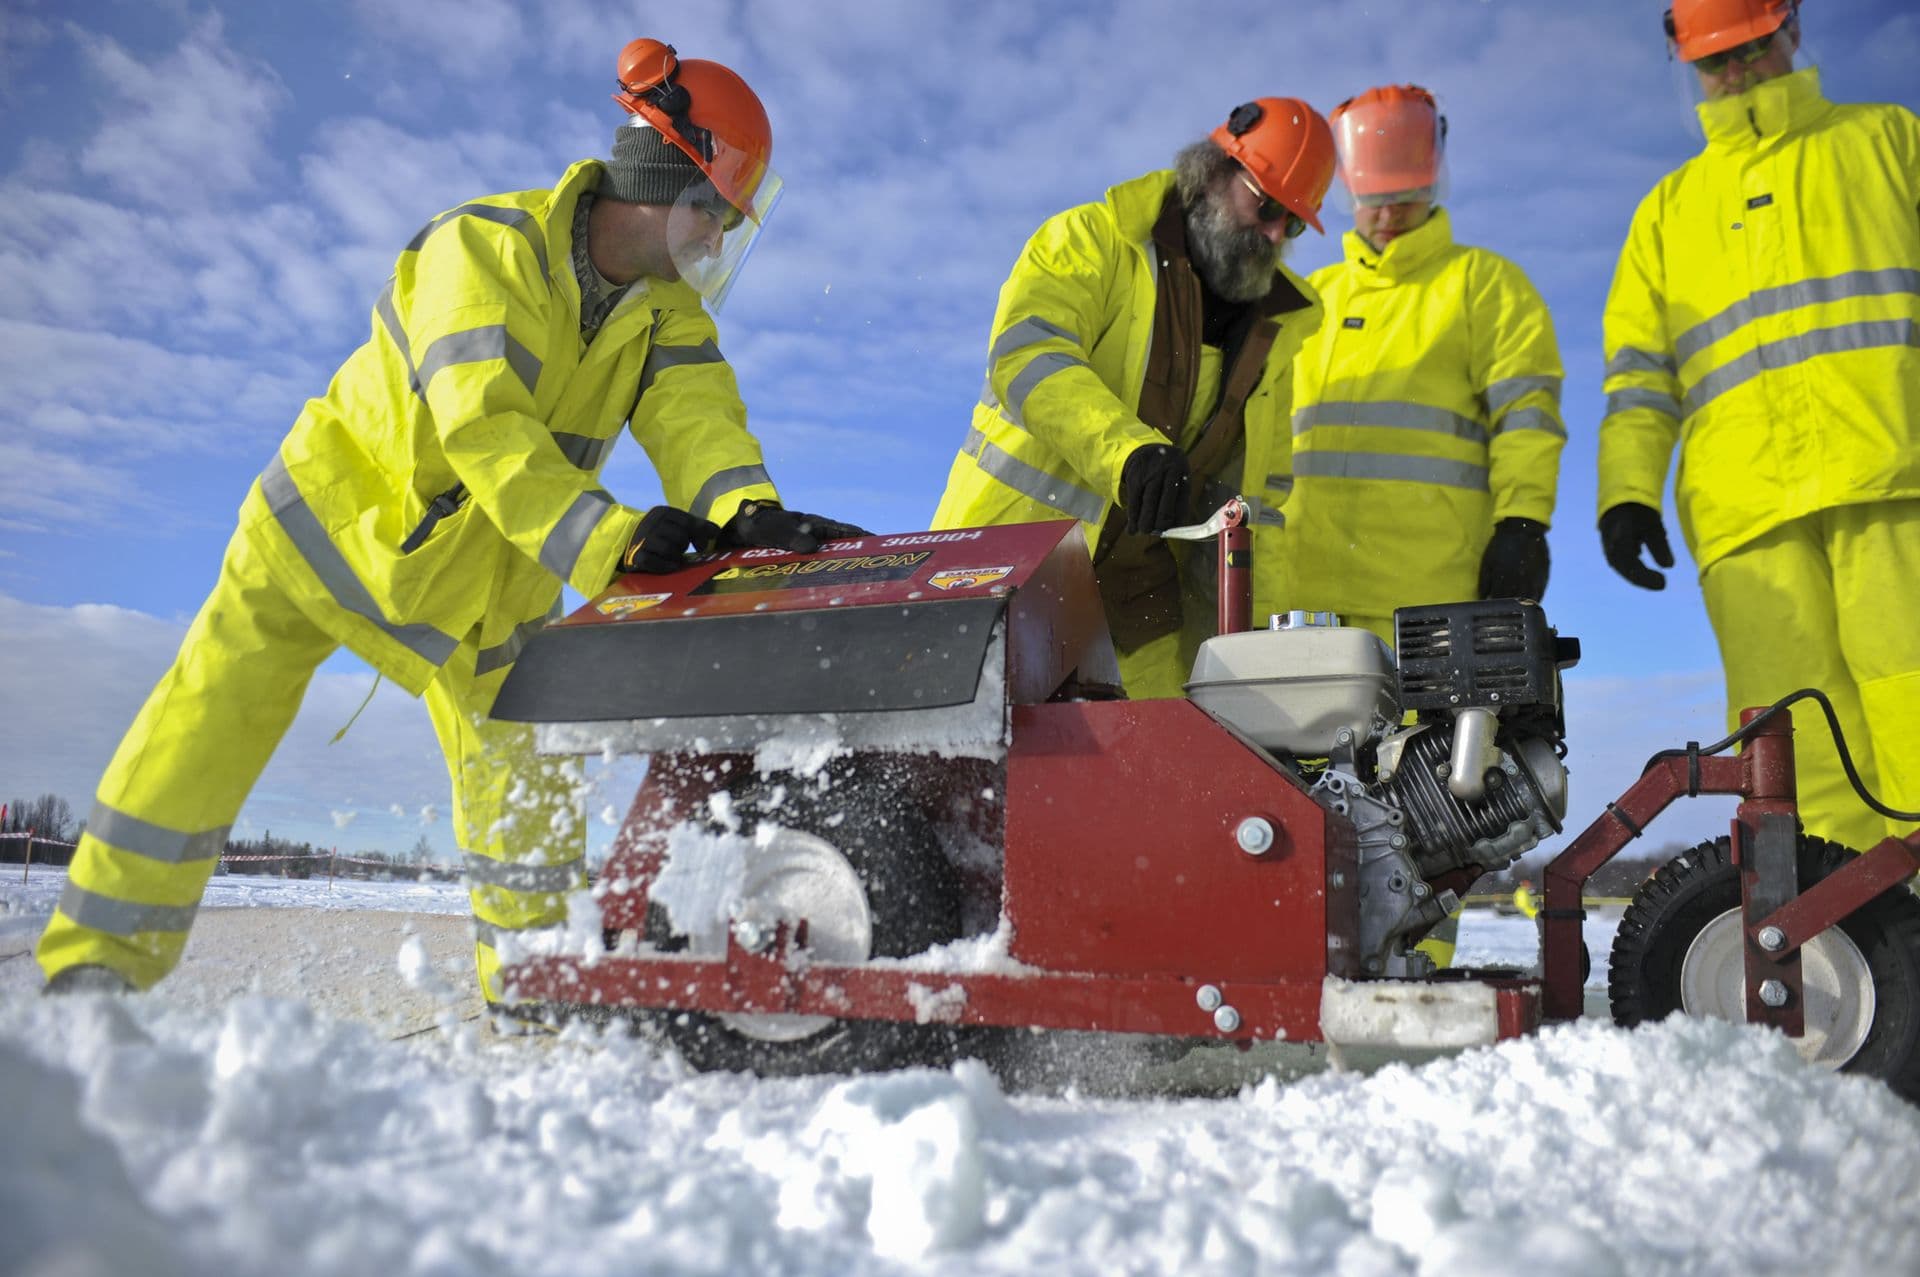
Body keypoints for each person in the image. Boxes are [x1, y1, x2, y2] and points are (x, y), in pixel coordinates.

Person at [37, 38, 865, 1006]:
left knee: (527, 783)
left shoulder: (663, 311)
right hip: (331, 539)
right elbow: (486, 430)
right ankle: (97, 962)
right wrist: (613, 542)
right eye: (712, 215)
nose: (717, 242)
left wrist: (744, 507)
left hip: (492, 579)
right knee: (208, 721)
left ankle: (539, 992)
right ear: (663, 178)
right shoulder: (482, 249)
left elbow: (699, 416)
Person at [1597, 0, 1920, 852]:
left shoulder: (1889, 141)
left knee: (1914, 709)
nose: (1735, 73)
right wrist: (1626, 494)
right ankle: (1849, 958)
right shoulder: (1666, 214)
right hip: (1744, 517)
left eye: (1747, 49)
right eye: (1716, 61)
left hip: (1892, 478)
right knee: (1797, 755)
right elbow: (1639, 380)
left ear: (1789, 33)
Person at [929, 98, 1334, 697]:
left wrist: (1255, 658)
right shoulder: (1090, 240)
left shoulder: (1276, 335)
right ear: (1212, 175)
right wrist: (1130, 454)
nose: (1274, 233)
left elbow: (1260, 510)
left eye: (1292, 224)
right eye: (1267, 205)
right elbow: (1028, 359)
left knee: (1163, 783)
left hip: (1144, 619)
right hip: (1003, 577)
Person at [1262, 84, 1566, 650]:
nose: (1389, 213)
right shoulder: (1307, 300)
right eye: (1374, 197)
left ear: (1433, 182)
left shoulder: (1485, 285)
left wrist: (1523, 522)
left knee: (1430, 745)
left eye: (1406, 193)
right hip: (1303, 602)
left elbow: (1527, 418)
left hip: (1431, 601)